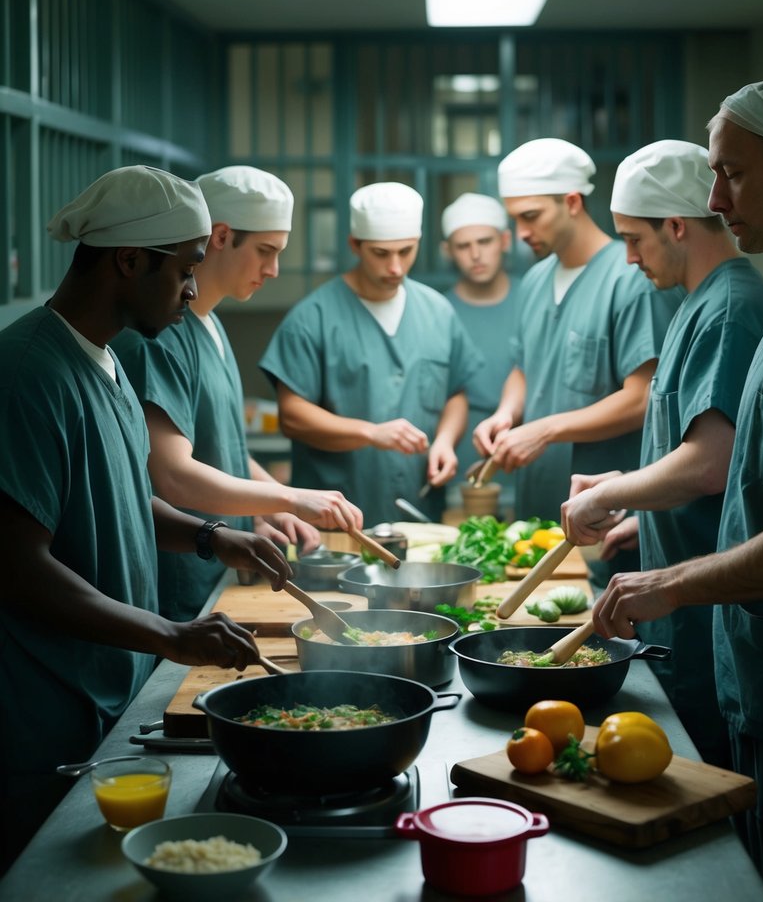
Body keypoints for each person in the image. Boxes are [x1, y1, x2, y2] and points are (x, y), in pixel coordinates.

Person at [0, 166, 291, 871]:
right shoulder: (28, 373)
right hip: (45, 715)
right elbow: (17, 565)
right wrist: (170, 634)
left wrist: (209, 535)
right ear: (128, 261)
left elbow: (123, 497)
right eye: (186, 269)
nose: (194, 289)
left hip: (110, 692)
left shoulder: (104, 363)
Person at [587, 79, 763, 901]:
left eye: (730, 174)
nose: (714, 196)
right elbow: (756, 480)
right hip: (761, 673)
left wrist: (672, 581)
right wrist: (639, 524)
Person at [560, 140, 763, 766]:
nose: (627, 258)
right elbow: (695, 451)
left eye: (635, 239)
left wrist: (608, 493)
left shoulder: (731, 309)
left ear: (676, 226)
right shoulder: (696, 302)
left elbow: (709, 464)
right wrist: (637, 508)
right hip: (676, 597)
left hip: (707, 608)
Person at [113, 165, 363, 622]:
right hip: (180, 578)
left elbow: (222, 446)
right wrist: (288, 498)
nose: (273, 270)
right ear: (222, 236)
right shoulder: (162, 335)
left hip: (217, 568)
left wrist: (267, 504)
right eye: (266, 251)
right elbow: (174, 476)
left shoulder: (212, 323)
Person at [472, 139, 681, 581]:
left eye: (532, 216)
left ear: (571, 202)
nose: (522, 231)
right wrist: (507, 415)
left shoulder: (632, 279)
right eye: (515, 218)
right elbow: (524, 367)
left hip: (603, 517)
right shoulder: (534, 280)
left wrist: (544, 430)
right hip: (538, 508)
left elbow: (641, 398)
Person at [259, 181, 483, 526]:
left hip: (418, 512)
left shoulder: (437, 312)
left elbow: (455, 393)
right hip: (336, 519)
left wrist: (445, 441)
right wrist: (370, 433)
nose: (395, 266)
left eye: (406, 251)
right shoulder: (312, 318)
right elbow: (292, 416)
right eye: (381, 253)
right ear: (355, 245)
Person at [441, 193, 520, 490]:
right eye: (463, 246)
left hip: (526, 455)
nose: (476, 254)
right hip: (459, 461)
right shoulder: (438, 312)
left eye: (484, 242)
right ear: (448, 250)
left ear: (505, 241)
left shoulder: (535, 301)